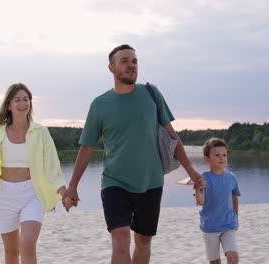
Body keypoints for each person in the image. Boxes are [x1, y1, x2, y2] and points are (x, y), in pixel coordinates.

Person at [62, 44, 206, 264]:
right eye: (125, 61)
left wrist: (191, 170)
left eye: (135, 61)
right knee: (120, 239)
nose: (131, 65)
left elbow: (172, 135)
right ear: (111, 68)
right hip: (115, 182)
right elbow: (87, 147)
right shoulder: (100, 105)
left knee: (143, 243)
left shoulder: (151, 93)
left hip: (151, 182)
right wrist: (72, 186)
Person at [0, 83, 71, 264]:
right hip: (5, 196)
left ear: (30, 103)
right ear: (9, 104)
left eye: (26, 99)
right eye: (17, 100)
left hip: (32, 194)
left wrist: (64, 192)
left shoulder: (40, 132)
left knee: (27, 245)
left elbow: (53, 167)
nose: (22, 103)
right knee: (11, 252)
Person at [195, 138, 241, 264]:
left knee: (233, 256)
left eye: (224, 155)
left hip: (228, 225)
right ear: (206, 159)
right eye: (217, 155)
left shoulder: (232, 178)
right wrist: (198, 190)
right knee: (215, 261)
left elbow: (234, 199)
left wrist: (236, 218)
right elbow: (200, 202)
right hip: (210, 226)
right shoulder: (203, 178)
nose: (222, 158)